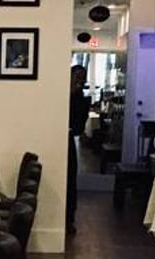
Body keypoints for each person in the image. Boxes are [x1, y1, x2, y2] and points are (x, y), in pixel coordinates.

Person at [67, 65, 89, 235]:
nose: (78, 82)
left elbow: (79, 127)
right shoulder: (63, 95)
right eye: (76, 77)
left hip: (69, 139)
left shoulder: (81, 99)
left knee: (71, 180)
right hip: (63, 139)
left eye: (81, 78)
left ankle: (69, 218)